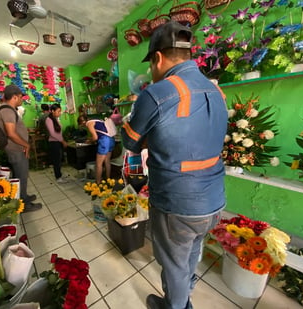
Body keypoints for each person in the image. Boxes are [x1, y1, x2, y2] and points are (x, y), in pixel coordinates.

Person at [121, 21, 228, 309]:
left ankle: (177, 305)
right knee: (191, 253)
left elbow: (130, 142)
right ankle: (181, 298)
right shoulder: (217, 91)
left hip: (177, 204)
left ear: (157, 58)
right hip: (214, 201)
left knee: (174, 263)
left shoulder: (157, 94)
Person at [0, 84, 42, 212]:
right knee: (20, 176)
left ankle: (24, 197)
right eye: (21, 97)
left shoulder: (9, 110)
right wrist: (26, 144)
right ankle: (23, 205)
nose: (22, 100)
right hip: (16, 149)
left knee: (22, 175)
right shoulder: (7, 110)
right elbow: (11, 133)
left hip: (17, 148)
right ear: (15, 97)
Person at [77, 115, 115, 183]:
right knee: (107, 161)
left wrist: (89, 141)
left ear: (82, 123)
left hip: (104, 141)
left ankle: (98, 183)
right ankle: (108, 180)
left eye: (81, 125)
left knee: (98, 164)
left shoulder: (89, 123)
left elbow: (95, 137)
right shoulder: (97, 120)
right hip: (111, 139)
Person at [46, 103, 68, 183]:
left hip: (58, 142)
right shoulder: (49, 120)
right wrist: (62, 141)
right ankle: (58, 177)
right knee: (56, 161)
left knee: (59, 159)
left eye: (60, 111)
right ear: (52, 111)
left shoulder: (56, 119)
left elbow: (59, 132)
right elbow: (53, 133)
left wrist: (61, 140)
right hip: (54, 143)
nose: (60, 113)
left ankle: (60, 174)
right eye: (58, 111)